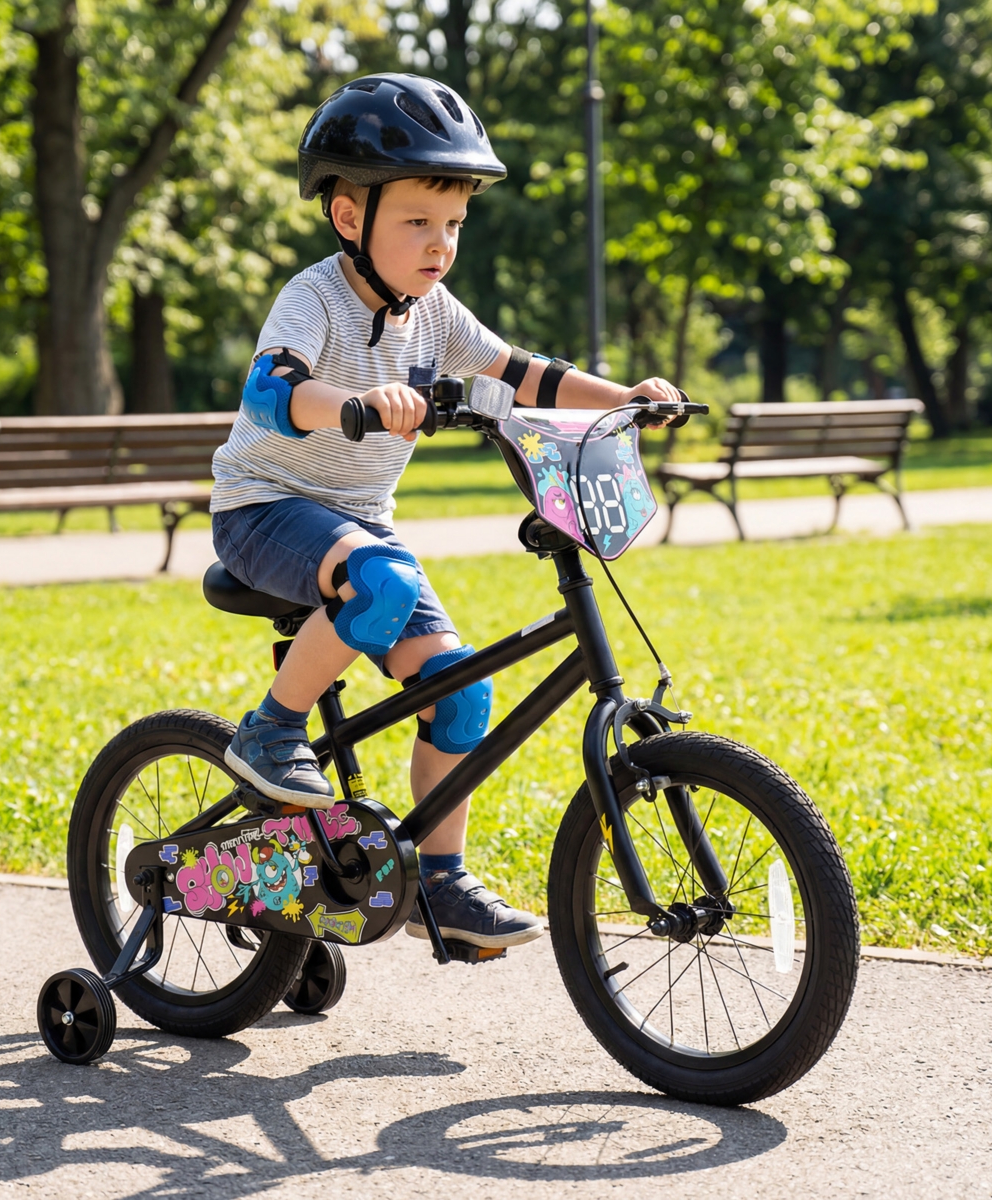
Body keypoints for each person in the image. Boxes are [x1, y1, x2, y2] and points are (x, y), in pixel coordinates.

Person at [210, 73, 682, 950]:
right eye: (418, 222)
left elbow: (521, 373)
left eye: (454, 224)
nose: (440, 244)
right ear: (350, 219)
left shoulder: (433, 312)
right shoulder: (313, 298)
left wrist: (626, 395)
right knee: (380, 584)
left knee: (461, 692)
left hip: (357, 525)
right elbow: (271, 389)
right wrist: (349, 403)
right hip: (264, 508)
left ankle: (441, 885)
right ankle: (270, 730)